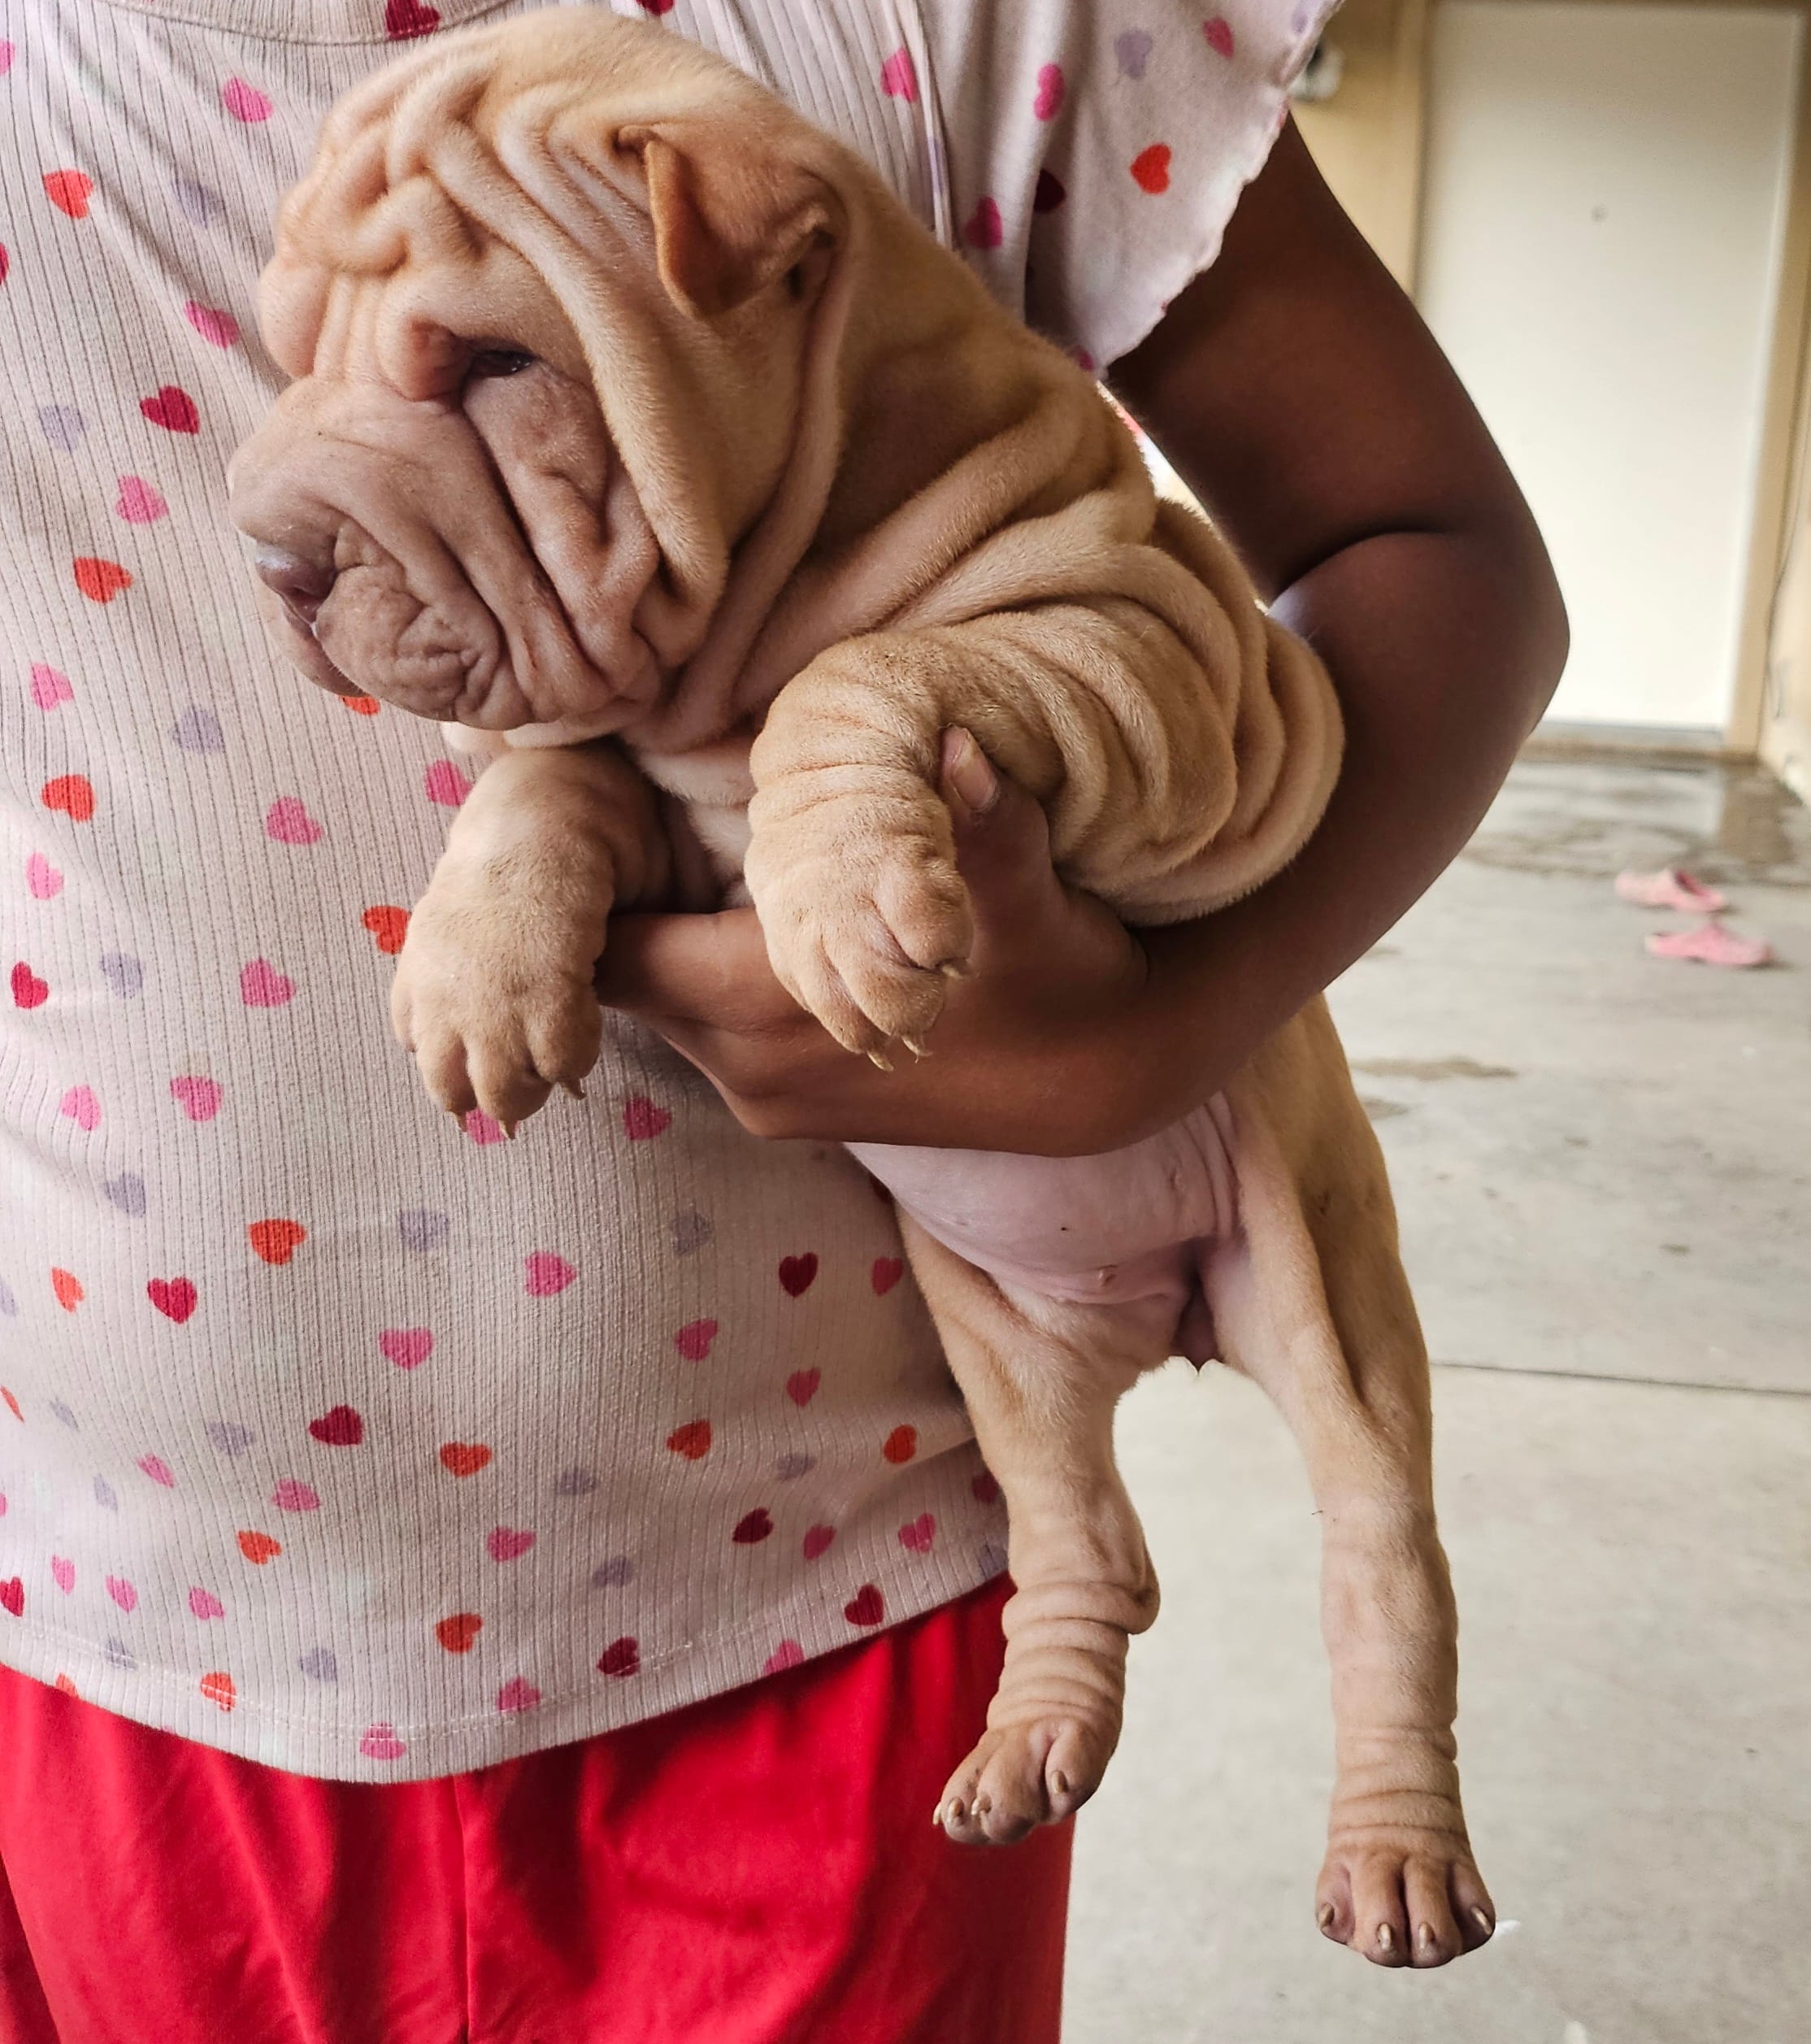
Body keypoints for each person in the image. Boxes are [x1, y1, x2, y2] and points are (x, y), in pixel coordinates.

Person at [0, 1, 1566, 2037]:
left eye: (477, 364)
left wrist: (1158, 1035)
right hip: (129, 1625)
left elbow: (1413, 558)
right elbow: (585, 762)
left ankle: (1379, 1741)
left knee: (1353, 1446)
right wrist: (523, 853)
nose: (297, 506)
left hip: (814, 1610)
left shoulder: (960, 35)